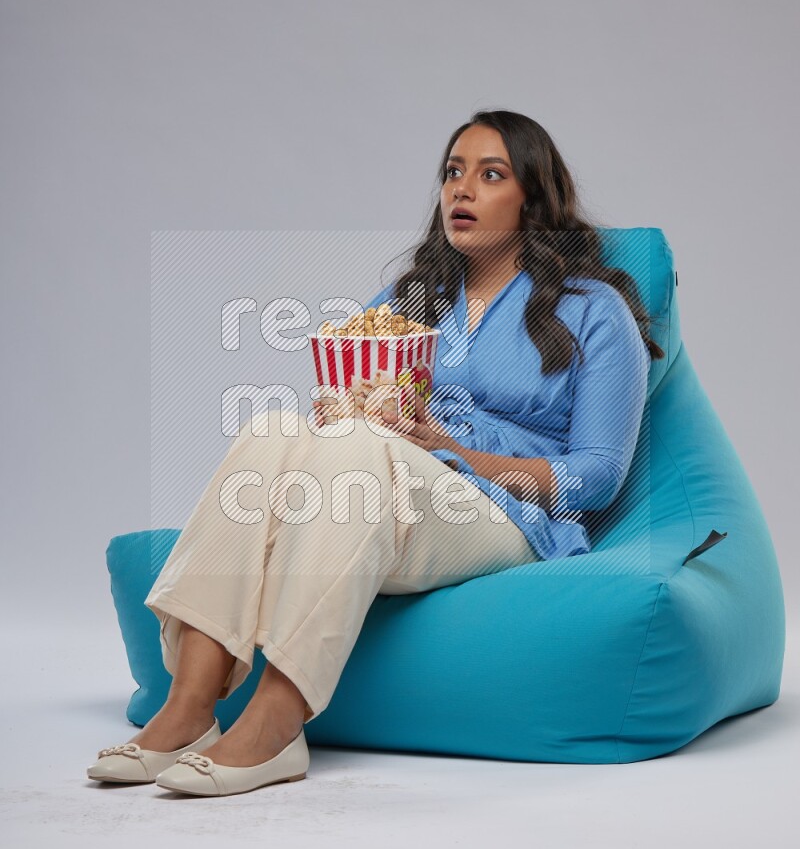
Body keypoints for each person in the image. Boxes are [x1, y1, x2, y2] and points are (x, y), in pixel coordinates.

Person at [86, 109, 664, 797]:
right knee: (273, 429)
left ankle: (278, 718)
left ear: (532, 199)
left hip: (507, 513)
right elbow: (343, 410)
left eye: (490, 174)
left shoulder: (595, 311)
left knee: (357, 449)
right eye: (453, 173)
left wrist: (455, 452)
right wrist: (344, 414)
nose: (462, 190)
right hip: (383, 485)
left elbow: (596, 477)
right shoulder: (408, 299)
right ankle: (187, 706)